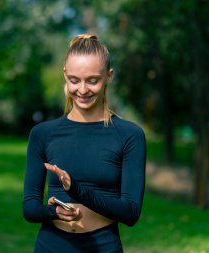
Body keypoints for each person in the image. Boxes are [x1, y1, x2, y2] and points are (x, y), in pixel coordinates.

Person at [23, 34, 146, 253]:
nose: (82, 89)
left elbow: (131, 212)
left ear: (108, 76)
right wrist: (53, 212)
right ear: (65, 75)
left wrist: (76, 190)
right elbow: (29, 207)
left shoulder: (129, 135)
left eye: (92, 80)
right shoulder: (42, 134)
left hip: (103, 247)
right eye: (74, 80)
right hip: (51, 246)